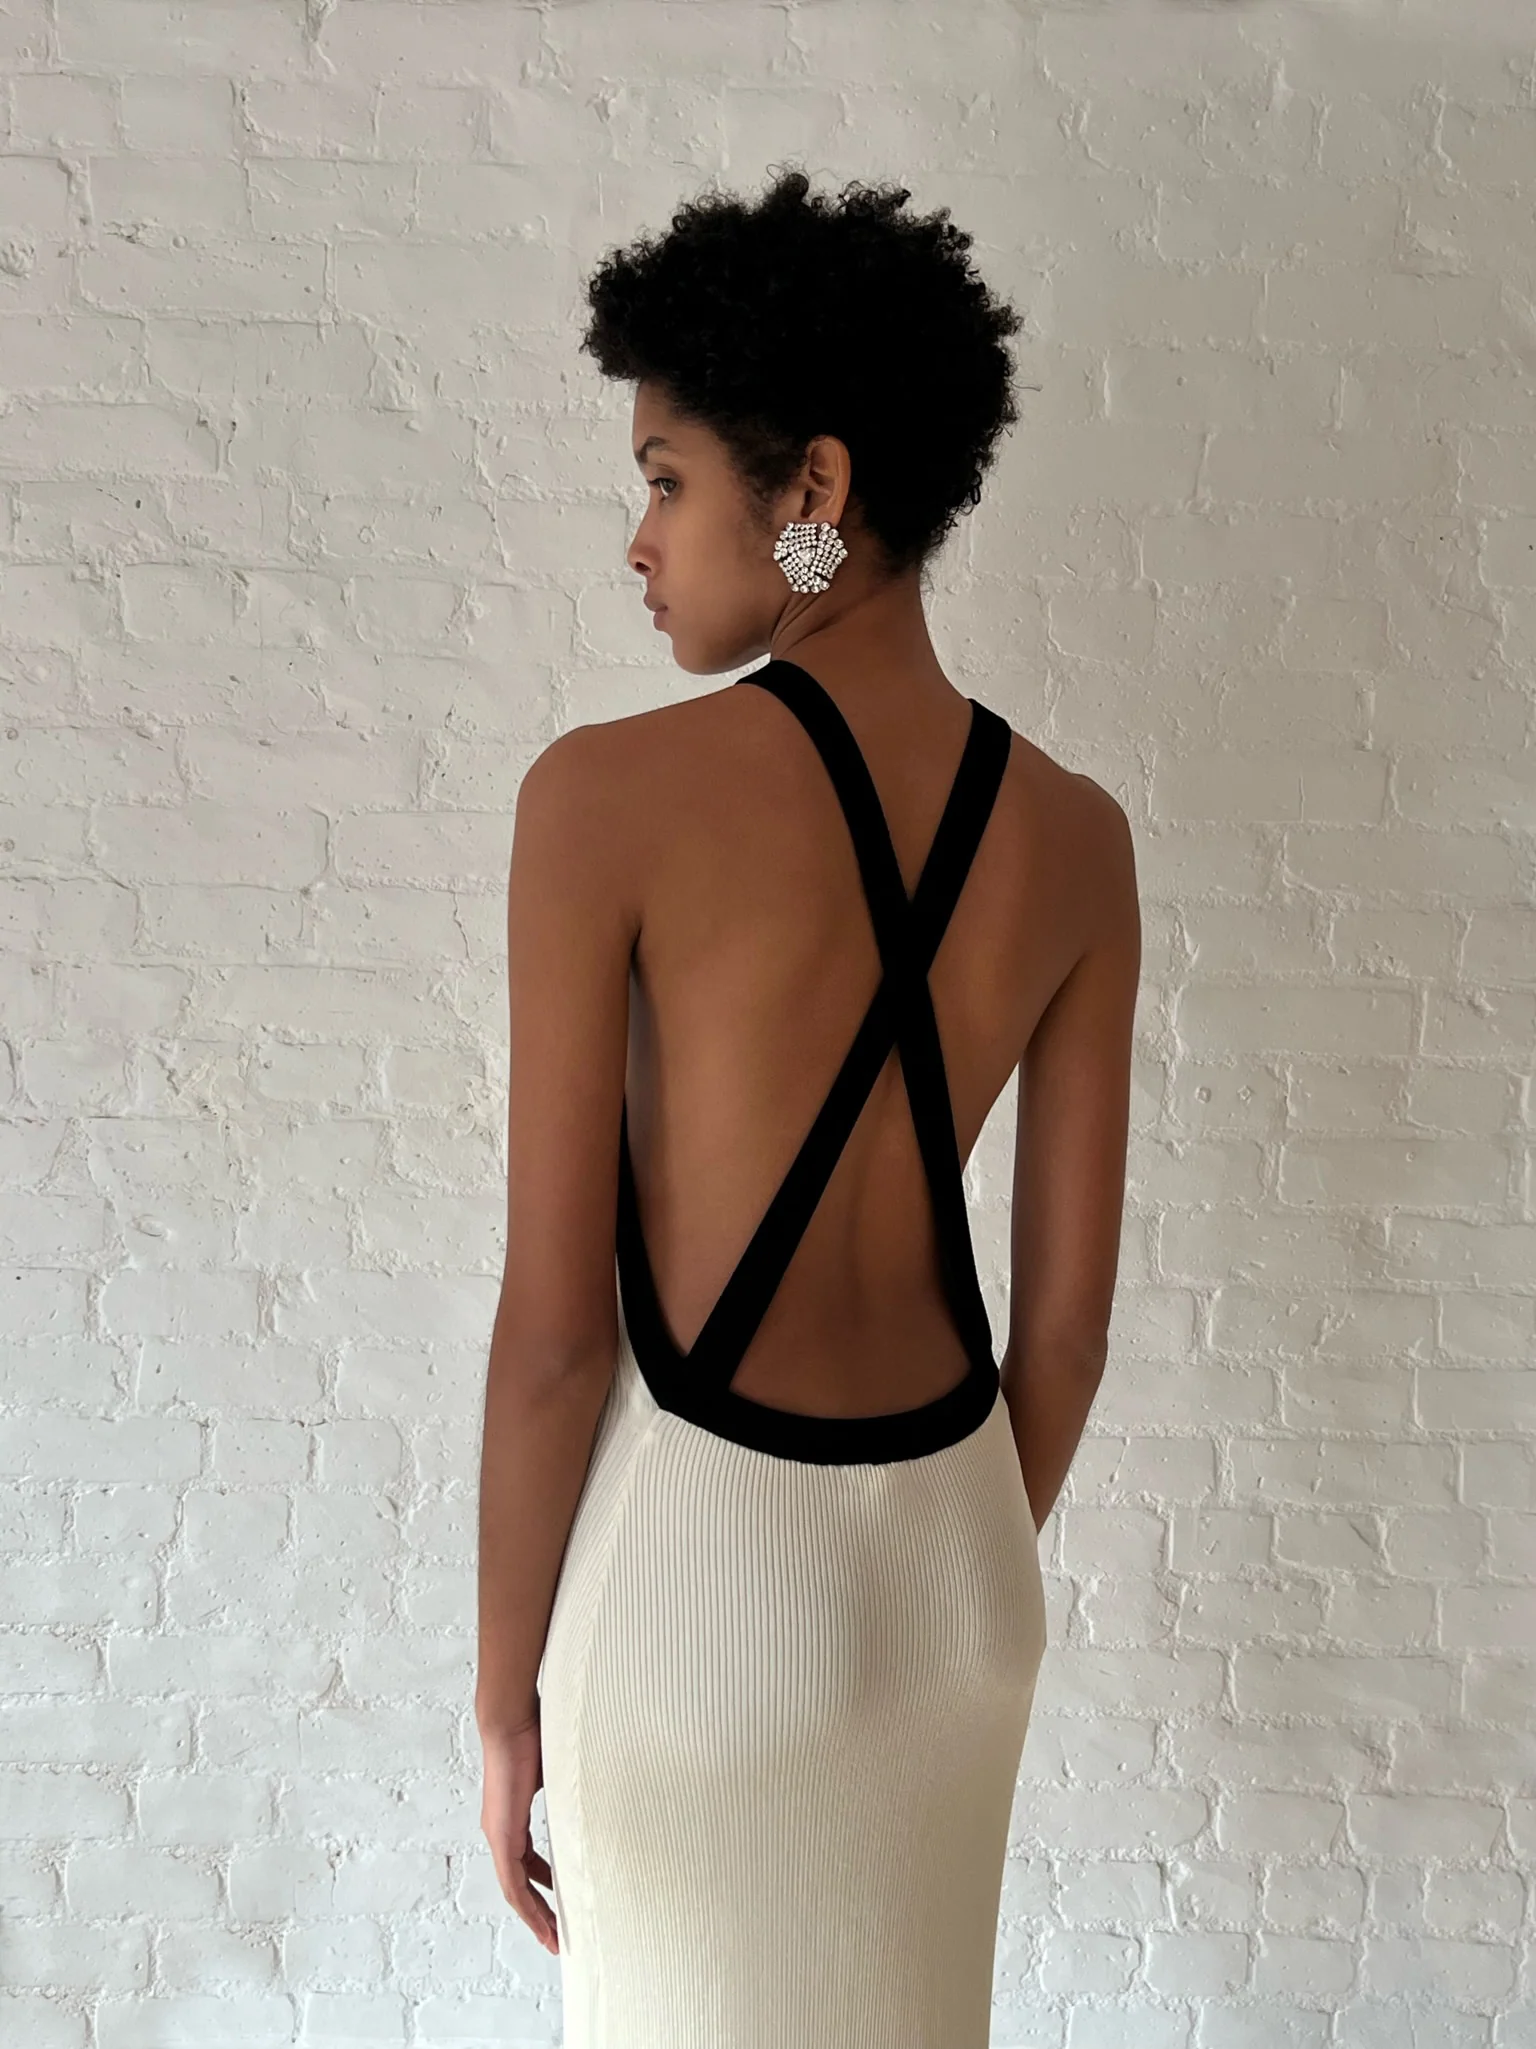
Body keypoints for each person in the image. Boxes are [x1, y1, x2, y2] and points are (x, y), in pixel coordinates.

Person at [475, 167, 1140, 2049]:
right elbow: (1066, 1338)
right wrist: (921, 1578)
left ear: (815, 495)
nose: (640, 540)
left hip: (693, 1609)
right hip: (958, 1600)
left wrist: (506, 1699)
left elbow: (555, 1336)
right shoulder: (1079, 840)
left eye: (666, 479)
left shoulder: (599, 801)